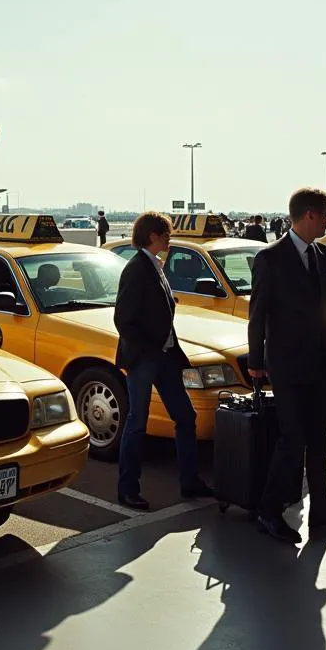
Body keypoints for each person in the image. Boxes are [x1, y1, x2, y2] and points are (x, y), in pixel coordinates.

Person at [248, 186, 326, 543]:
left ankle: (322, 514)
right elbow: (258, 315)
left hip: (322, 363)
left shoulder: (323, 255)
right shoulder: (271, 258)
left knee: (318, 441)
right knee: (292, 439)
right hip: (288, 365)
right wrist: (256, 363)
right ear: (310, 214)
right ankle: (269, 509)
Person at [113, 211, 214, 509]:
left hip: (165, 356)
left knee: (186, 416)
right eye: (166, 234)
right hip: (146, 358)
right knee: (137, 423)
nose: (170, 239)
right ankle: (127, 489)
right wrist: (148, 350)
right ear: (153, 236)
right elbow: (124, 320)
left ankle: (190, 481)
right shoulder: (137, 269)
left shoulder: (155, 266)